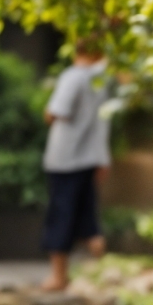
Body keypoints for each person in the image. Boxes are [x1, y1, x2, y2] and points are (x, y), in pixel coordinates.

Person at [41, 37, 111, 291]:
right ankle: (104, 276)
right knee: (88, 219)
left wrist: (46, 113)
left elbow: (56, 112)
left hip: (65, 160)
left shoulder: (73, 77)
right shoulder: (98, 81)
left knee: (61, 216)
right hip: (89, 159)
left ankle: (59, 277)